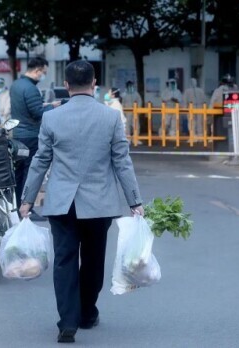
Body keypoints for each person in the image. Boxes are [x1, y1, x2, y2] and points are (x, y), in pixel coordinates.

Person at [19, 60, 144, 344]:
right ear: (94, 84)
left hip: (62, 203)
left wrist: (27, 199)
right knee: (93, 260)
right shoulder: (110, 117)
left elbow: (40, 161)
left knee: (64, 262)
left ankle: (67, 322)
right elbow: (122, 162)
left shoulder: (52, 118)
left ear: (66, 86)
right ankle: (87, 313)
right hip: (99, 203)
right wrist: (134, 200)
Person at [10, 57, 61, 221]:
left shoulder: (16, 85)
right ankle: (27, 210)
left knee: (19, 174)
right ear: (37, 70)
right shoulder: (31, 88)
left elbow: (28, 108)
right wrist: (52, 108)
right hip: (31, 136)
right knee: (29, 174)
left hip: (18, 135)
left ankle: (18, 207)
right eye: (44, 72)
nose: (43, 76)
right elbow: (37, 113)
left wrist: (47, 105)